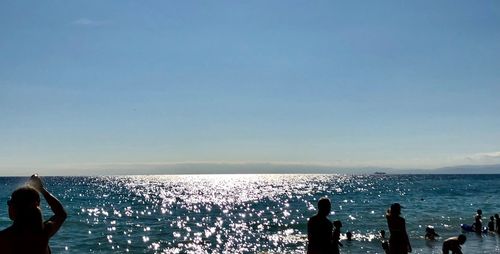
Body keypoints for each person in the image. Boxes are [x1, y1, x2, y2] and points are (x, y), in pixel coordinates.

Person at [0, 174, 67, 254]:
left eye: (9, 202)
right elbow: (61, 214)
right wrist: (42, 190)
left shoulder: (4, 238)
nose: (8, 205)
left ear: (15, 207)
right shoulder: (43, 233)